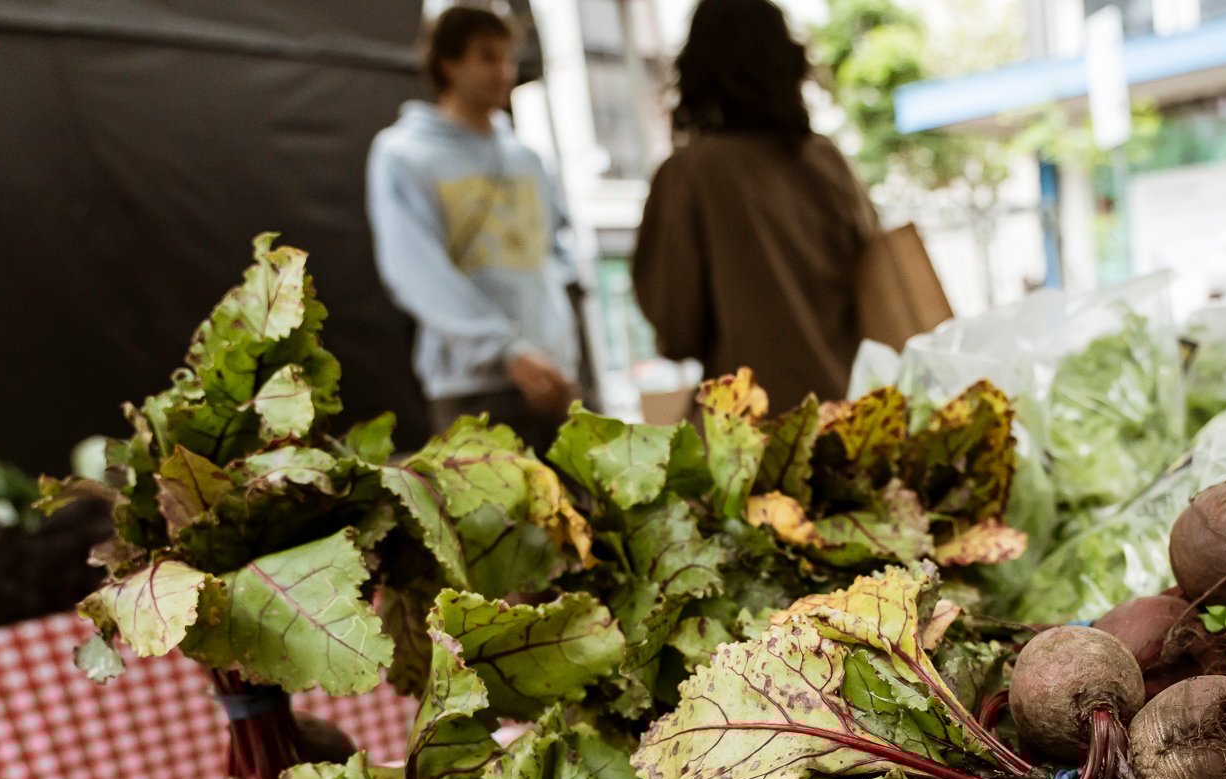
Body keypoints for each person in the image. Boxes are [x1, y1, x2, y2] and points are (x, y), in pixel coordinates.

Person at [632, 0, 879, 413]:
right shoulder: (827, 161)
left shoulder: (689, 174)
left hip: (749, 436)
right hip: (850, 420)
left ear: (697, 69)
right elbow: (875, 282)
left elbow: (677, 330)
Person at [367, 4, 581, 450]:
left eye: (507, 57)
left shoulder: (528, 156)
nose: (503, 71)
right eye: (487, 56)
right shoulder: (404, 154)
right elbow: (415, 271)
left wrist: (553, 347)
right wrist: (506, 350)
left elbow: (557, 250)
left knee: (579, 514)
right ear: (448, 63)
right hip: (472, 388)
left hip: (554, 376)